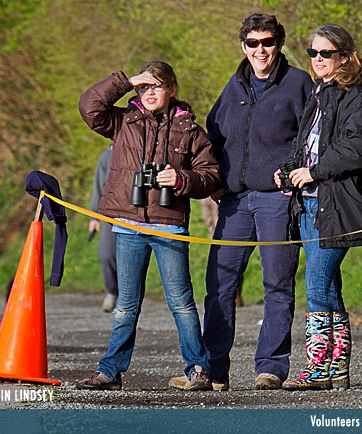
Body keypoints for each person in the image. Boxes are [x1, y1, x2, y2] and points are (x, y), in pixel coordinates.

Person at [76, 61, 221, 391]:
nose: (149, 92)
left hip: (168, 225)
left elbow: (211, 175)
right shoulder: (124, 121)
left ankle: (198, 370)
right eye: (144, 87)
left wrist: (181, 179)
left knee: (181, 303)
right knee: (126, 305)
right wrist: (126, 81)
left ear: (172, 89)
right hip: (128, 223)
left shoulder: (191, 131)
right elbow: (89, 106)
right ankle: (110, 372)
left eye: (156, 86)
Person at [275, 24, 362, 391]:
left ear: (344, 56)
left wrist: (313, 172)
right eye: (313, 53)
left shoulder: (357, 97)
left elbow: (358, 151)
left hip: (341, 205)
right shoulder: (319, 95)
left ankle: (317, 369)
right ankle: (337, 368)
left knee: (316, 283)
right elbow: (305, 146)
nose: (318, 59)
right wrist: (288, 172)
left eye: (326, 53)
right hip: (311, 205)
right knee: (329, 288)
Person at [202, 13, 314, 391]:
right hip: (233, 202)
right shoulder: (233, 87)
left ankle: (271, 367)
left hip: (276, 200)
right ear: (243, 46)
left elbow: (310, 136)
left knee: (277, 285)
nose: (260, 50)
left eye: (267, 42)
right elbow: (212, 137)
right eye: (253, 43)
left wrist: (291, 170)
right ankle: (214, 370)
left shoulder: (298, 83)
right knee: (219, 284)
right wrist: (215, 179)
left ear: (279, 44)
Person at [88, 143, 119, 312]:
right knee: (106, 254)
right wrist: (94, 215)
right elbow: (98, 187)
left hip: (135, 214)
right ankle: (112, 291)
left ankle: (129, 297)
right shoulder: (106, 156)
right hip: (110, 214)